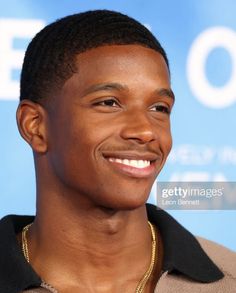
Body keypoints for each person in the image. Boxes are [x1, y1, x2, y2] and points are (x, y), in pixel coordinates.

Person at [0, 10, 235, 293]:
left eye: (159, 108)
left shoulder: (228, 279)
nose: (146, 130)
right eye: (109, 103)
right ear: (35, 126)